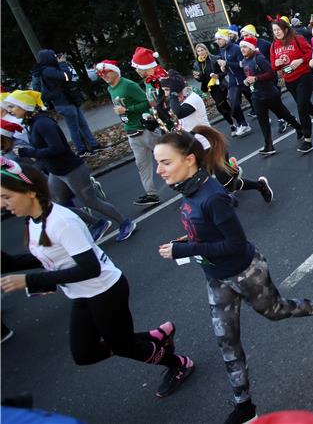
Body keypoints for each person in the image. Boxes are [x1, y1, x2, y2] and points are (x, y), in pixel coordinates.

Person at [154, 131, 313, 424]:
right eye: (158, 163)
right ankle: (245, 406)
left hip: (245, 273)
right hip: (216, 278)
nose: (159, 170)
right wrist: (185, 242)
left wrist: (184, 248)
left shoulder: (211, 196)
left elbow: (235, 244)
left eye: (165, 162)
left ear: (189, 160)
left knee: (276, 312)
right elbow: (206, 232)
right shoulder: (189, 190)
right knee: (226, 341)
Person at [0, 158, 193, 398]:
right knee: (84, 354)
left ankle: (179, 363)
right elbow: (48, 257)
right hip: (83, 292)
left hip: (105, 290)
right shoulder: (34, 220)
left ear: (29, 192)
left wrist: (30, 281)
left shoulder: (62, 222)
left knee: (124, 346)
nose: (2, 205)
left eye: (6, 197)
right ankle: (156, 336)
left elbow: (89, 268)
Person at [4, 90, 137, 242]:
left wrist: (28, 152)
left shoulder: (43, 123)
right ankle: (98, 224)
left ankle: (125, 222)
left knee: (90, 201)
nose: (10, 111)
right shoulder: (31, 124)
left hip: (72, 169)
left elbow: (58, 148)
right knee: (58, 205)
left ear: (25, 106)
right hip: (57, 172)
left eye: (13, 107)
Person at [95, 60, 161, 206]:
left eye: (106, 73)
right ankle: (151, 194)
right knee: (142, 165)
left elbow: (147, 102)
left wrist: (128, 110)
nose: (103, 76)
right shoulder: (110, 88)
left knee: (164, 157)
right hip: (131, 132)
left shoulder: (129, 85)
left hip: (144, 129)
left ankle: (183, 180)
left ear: (114, 71)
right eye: (101, 74)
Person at [269, 18, 313, 153]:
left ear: (285, 29)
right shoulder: (274, 45)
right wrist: (277, 64)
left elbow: (310, 53)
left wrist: (300, 60)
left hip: (304, 77)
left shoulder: (297, 39)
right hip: (289, 80)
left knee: (301, 108)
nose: (277, 33)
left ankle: (308, 140)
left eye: (278, 29)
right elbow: (273, 65)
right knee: (307, 107)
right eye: (274, 31)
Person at [239, 35, 301, 156]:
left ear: (251, 47)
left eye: (245, 47)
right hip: (256, 95)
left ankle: (299, 128)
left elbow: (271, 73)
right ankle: (269, 146)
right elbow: (249, 75)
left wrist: (256, 78)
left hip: (269, 94)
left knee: (284, 114)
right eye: (241, 47)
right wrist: (247, 81)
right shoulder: (245, 60)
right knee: (263, 121)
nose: (242, 49)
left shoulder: (259, 58)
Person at [32, 50, 101, 157]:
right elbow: (65, 76)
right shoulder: (46, 71)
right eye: (53, 56)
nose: (56, 57)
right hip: (63, 102)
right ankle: (81, 150)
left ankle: (93, 145)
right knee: (74, 127)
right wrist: (62, 63)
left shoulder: (51, 68)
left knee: (83, 124)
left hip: (69, 99)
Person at [191, 125, 273, 204]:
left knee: (228, 185)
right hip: (197, 153)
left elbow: (187, 110)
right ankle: (233, 171)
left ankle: (260, 185)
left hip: (213, 148)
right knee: (201, 179)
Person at [214, 30, 252, 137]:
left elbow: (242, 64)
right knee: (233, 103)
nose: (217, 41)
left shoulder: (236, 48)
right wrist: (223, 68)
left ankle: (266, 116)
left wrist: (227, 63)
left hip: (243, 79)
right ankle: (243, 124)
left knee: (254, 100)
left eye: (219, 39)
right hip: (232, 81)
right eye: (216, 39)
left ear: (226, 38)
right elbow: (226, 68)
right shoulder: (221, 51)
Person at [130, 46, 176, 133]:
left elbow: (172, 103)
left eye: (137, 67)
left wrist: (159, 119)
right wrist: (153, 119)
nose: (136, 70)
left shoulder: (162, 77)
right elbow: (157, 104)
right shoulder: (149, 80)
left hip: (176, 125)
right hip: (165, 125)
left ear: (144, 66)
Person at [193, 43, 235, 136]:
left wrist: (217, 76)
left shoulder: (215, 58)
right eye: (198, 51)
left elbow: (225, 71)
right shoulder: (197, 64)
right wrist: (197, 77)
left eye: (202, 50)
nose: (201, 53)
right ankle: (235, 119)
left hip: (221, 86)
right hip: (211, 88)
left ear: (206, 50)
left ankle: (232, 124)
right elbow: (199, 78)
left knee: (220, 106)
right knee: (224, 106)